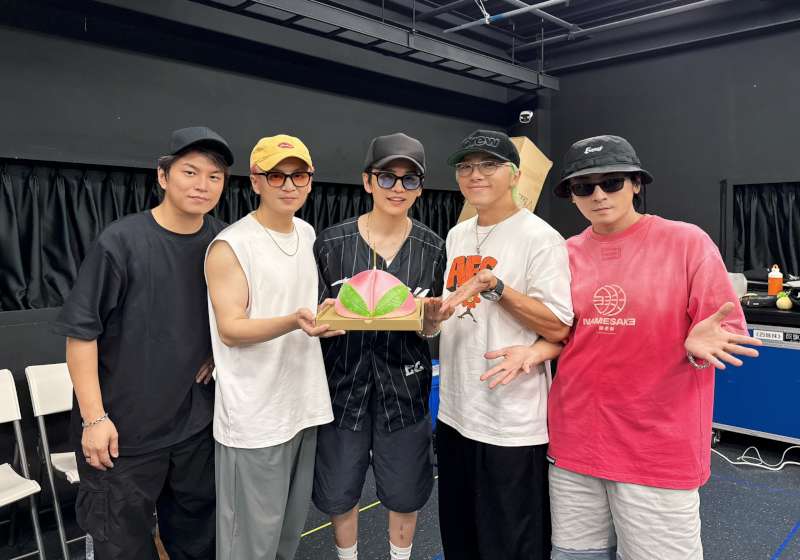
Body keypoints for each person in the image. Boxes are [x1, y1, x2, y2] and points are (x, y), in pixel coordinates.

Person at [485, 134, 762, 560]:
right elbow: (567, 332)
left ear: (635, 184)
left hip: (655, 450)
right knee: (576, 556)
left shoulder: (686, 242)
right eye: (584, 187)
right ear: (572, 196)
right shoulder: (565, 253)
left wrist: (695, 345)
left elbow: (725, 330)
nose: (598, 195)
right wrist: (535, 350)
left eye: (611, 182)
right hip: (576, 444)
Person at [52, 126, 233, 559]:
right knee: (122, 546)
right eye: (190, 172)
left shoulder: (225, 242)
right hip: (123, 433)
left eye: (214, 176)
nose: (202, 185)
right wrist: (94, 419)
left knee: (199, 542)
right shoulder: (121, 242)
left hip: (194, 428)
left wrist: (218, 351)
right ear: (163, 176)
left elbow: (236, 315)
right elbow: (81, 334)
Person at [424, 129, 574, 560]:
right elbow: (456, 313)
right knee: (461, 537)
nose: (476, 174)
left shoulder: (540, 238)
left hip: (511, 422)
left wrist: (498, 288)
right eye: (466, 166)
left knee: (511, 544)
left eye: (489, 165)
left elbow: (558, 325)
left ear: (515, 175)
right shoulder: (457, 235)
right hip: (456, 414)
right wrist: (431, 321)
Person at [312, 133, 446, 560]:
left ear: (420, 188)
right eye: (387, 177)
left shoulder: (432, 248)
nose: (397, 188)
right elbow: (310, 316)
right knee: (339, 490)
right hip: (341, 389)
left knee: (405, 491)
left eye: (410, 180)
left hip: (404, 390)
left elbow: (430, 328)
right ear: (368, 181)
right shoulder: (330, 244)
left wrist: (431, 325)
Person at [205, 134, 339, 560]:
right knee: (248, 545)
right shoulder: (231, 245)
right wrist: (294, 321)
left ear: (310, 181)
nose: (289, 185)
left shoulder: (307, 232)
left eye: (298, 175)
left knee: (286, 537)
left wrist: (328, 316)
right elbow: (230, 329)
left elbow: (302, 308)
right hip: (254, 419)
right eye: (276, 175)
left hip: (302, 405)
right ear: (255, 181)